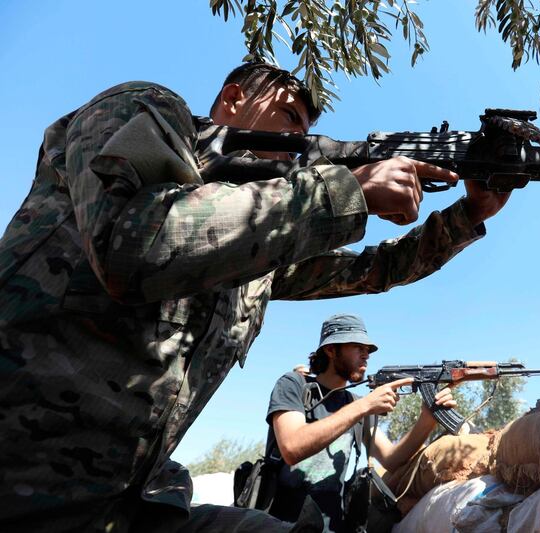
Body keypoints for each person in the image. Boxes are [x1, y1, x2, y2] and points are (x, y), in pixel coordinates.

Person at [0, 62, 509, 532]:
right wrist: (342, 191)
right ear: (233, 97)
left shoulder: (259, 249)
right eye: (288, 116)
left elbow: (371, 270)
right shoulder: (147, 109)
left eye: (305, 135)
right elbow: (131, 244)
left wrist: (469, 216)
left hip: (130, 502)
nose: (295, 144)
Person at [264, 314, 455, 531]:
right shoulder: (294, 385)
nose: (366, 356)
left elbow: (391, 460)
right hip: (280, 525)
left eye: (368, 350)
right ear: (330, 350)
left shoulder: (355, 404)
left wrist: (427, 418)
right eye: (357, 347)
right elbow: (291, 447)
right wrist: (364, 406)